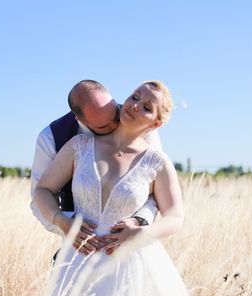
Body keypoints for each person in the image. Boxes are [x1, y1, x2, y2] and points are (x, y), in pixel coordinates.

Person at [30, 80, 236, 296]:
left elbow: (174, 216)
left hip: (134, 263)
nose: (134, 105)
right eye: (135, 96)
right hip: (78, 261)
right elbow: (42, 191)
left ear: (156, 123)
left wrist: (143, 231)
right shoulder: (77, 145)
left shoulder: (156, 160)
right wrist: (62, 222)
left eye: (146, 107)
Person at [30, 80, 161, 254]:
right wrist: (67, 224)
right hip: (80, 248)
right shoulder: (51, 138)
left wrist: (139, 222)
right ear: (81, 120)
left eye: (115, 114)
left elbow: (157, 192)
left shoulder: (142, 124)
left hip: (130, 247)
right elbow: (39, 198)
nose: (116, 125)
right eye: (104, 126)